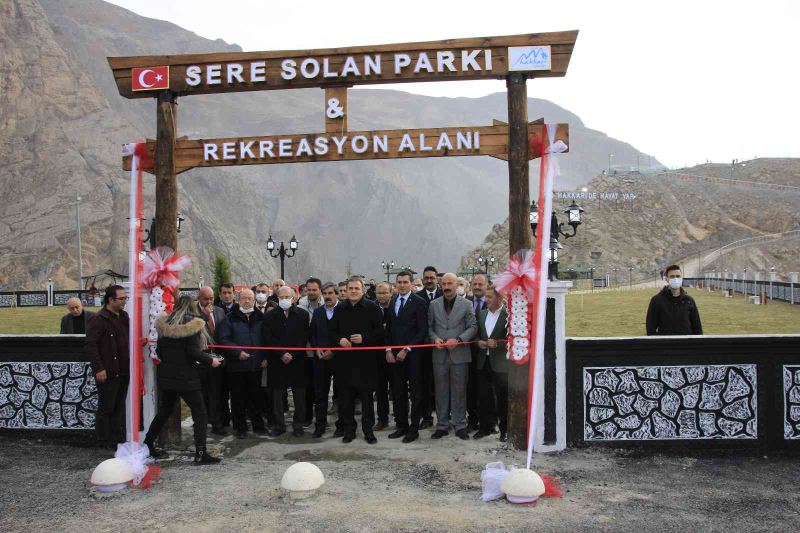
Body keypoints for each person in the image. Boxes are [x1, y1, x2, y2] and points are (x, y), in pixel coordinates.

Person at [144, 296, 222, 464]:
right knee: (200, 413)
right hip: (186, 377)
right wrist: (211, 360)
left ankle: (148, 442)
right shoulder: (191, 325)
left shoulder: (165, 324)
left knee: (165, 411)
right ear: (192, 307)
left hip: (167, 376)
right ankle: (201, 452)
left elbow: (160, 352)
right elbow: (193, 352)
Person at [328, 276, 384, 444]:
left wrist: (364, 338)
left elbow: (380, 332)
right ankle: (349, 430)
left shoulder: (372, 308)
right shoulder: (340, 309)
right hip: (344, 363)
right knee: (346, 400)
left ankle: (368, 431)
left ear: (363, 290)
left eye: (356, 288)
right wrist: (340, 340)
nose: (353, 291)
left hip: (366, 363)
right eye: (350, 288)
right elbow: (331, 332)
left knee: (367, 399)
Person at [428, 273, 477, 440]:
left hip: (460, 354)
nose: (447, 286)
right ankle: (442, 425)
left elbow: (473, 327)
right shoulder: (433, 304)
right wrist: (435, 338)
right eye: (444, 283)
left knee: (459, 390)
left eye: (450, 283)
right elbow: (429, 327)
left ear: (457, 285)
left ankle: (460, 425)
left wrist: (458, 340)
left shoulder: (467, 304)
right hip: (439, 355)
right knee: (440, 391)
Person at [217, 289, 267, 438]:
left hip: (256, 365)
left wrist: (265, 357)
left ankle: (258, 426)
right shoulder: (230, 318)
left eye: (250, 298)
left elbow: (266, 339)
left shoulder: (260, 317)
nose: (247, 301)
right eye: (244, 298)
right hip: (236, 366)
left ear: (254, 300)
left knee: (256, 397)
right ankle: (240, 428)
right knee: (238, 398)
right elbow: (224, 339)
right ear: (238, 300)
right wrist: (237, 352)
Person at [385, 271, 428, 443]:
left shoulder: (419, 302)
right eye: (399, 282)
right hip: (394, 356)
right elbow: (388, 328)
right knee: (398, 391)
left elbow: (422, 330)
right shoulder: (393, 300)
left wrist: (407, 349)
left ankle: (414, 428)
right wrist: (388, 350)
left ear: (411, 283)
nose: (402, 285)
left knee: (415, 393)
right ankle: (401, 425)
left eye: (405, 282)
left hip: (413, 356)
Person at [85, 285, 129, 449]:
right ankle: (104, 440)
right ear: (111, 300)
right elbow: (91, 345)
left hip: (123, 370)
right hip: (108, 371)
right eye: (122, 298)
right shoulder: (98, 319)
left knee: (119, 406)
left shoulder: (124, 317)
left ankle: (117, 439)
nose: (124, 301)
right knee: (106, 407)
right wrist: (99, 368)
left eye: (125, 298)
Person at [263, 286, 311, 437]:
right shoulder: (269, 316)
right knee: (277, 395)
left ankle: (298, 425)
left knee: (299, 395)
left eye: (287, 297)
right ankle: (279, 425)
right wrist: (281, 353)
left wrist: (293, 353)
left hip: (298, 361)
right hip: (277, 361)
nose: (284, 300)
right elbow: (268, 337)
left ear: (294, 297)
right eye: (281, 297)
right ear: (277, 298)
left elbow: (304, 337)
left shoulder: (302, 315)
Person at [474, 287, 509, 442]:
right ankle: (484, 427)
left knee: (502, 398)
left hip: (501, 364)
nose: (486, 300)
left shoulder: (507, 315)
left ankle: (504, 430)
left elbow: (514, 339)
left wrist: (498, 344)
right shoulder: (481, 314)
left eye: (489, 297)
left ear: (499, 298)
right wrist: (478, 342)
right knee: (483, 396)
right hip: (483, 362)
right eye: (486, 297)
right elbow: (476, 334)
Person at [309, 282, 342, 438]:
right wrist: (316, 348)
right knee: (320, 394)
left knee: (342, 394)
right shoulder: (318, 312)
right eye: (325, 294)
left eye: (330, 293)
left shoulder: (344, 311)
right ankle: (320, 426)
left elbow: (346, 334)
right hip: (321, 359)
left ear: (337, 294)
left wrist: (334, 351)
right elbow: (312, 334)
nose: (328, 296)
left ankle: (341, 426)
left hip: (339, 358)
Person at [196, 286, 230, 435]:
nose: (209, 302)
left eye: (211, 299)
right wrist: (204, 315)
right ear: (199, 298)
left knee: (217, 392)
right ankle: (203, 421)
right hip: (201, 359)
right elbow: (194, 330)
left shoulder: (220, 311)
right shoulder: (193, 311)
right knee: (202, 394)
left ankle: (218, 423)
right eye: (206, 299)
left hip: (218, 357)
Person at [416, 266, 442, 429]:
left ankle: (445, 417)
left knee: (442, 383)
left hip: (442, 346)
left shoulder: (445, 295)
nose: (429, 280)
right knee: (424, 383)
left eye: (432, 278)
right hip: (423, 348)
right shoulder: (417, 298)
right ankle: (426, 417)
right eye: (426, 278)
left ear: (437, 279)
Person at [646, 264, 703, 335]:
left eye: (678, 276)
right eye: (672, 277)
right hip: (666, 345)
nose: (675, 279)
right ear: (666, 279)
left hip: (686, 345)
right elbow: (650, 328)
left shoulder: (689, 301)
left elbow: (697, 327)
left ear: (681, 278)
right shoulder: (657, 300)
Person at [298, 277, 324, 427]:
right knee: (307, 387)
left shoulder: (326, 302)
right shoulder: (301, 305)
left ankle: (321, 418)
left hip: (324, 350)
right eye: (309, 290)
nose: (312, 292)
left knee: (320, 387)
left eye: (315, 290)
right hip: (306, 351)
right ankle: (307, 416)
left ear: (319, 290)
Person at [466, 274, 488, 431]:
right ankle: (472, 420)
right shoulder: (465, 303)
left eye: (480, 284)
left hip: (486, 354)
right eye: (475, 284)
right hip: (467, 353)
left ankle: (488, 422)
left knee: (486, 390)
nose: (477, 287)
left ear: (487, 285)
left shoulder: (493, 302)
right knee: (470, 388)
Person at [374, 281, 393, 431]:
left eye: (384, 293)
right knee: (380, 390)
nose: (382, 296)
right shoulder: (371, 308)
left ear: (391, 293)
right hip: (377, 355)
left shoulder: (397, 307)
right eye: (379, 293)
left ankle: (400, 418)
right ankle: (382, 418)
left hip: (394, 353)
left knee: (397, 389)